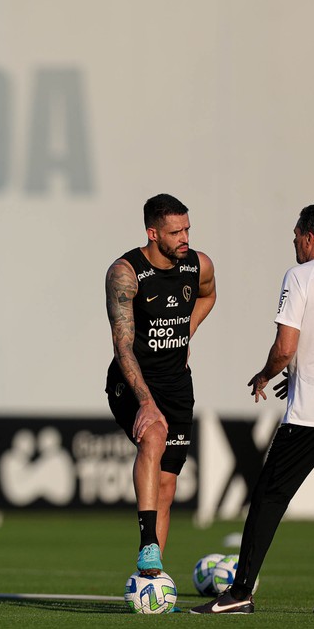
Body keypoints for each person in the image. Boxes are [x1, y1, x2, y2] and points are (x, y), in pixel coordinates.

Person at [192, 204, 314, 615]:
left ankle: (240, 592)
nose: (293, 240)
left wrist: (265, 374)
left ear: (310, 237)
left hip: (313, 414)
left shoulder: (300, 276)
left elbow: (285, 348)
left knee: (268, 498)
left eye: (296, 234)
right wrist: (308, 368)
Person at [104, 194, 217, 577]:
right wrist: (147, 404)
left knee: (167, 487)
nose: (184, 237)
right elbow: (123, 347)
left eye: (187, 228)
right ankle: (148, 546)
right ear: (153, 233)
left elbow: (209, 293)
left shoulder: (198, 264)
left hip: (177, 385)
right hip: (132, 382)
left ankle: (150, 581)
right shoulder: (125, 272)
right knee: (153, 435)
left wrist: (188, 330)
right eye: (175, 231)